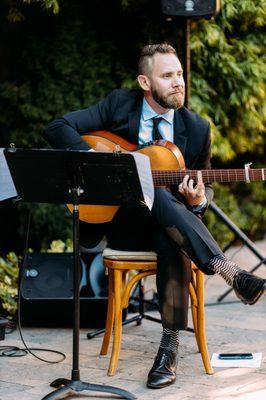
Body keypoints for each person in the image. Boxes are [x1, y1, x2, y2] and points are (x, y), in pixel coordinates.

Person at [44, 43, 265, 389]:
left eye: (179, 74)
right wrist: (99, 162)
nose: (178, 82)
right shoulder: (120, 104)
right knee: (150, 185)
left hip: (170, 227)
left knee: (169, 232)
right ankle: (228, 270)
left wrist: (198, 202)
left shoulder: (196, 128)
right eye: (167, 75)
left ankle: (168, 347)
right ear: (145, 83)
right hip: (123, 224)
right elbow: (57, 127)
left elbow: (204, 188)